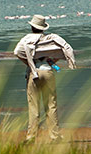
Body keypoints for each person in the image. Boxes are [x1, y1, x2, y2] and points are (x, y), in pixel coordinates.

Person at [13, 15, 75, 143]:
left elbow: (17, 52)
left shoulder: (27, 39)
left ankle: (31, 137)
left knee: (34, 107)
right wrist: (52, 61)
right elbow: (65, 50)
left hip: (34, 72)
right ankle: (54, 135)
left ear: (32, 27)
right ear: (43, 28)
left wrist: (28, 63)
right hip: (47, 71)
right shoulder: (50, 39)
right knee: (51, 105)